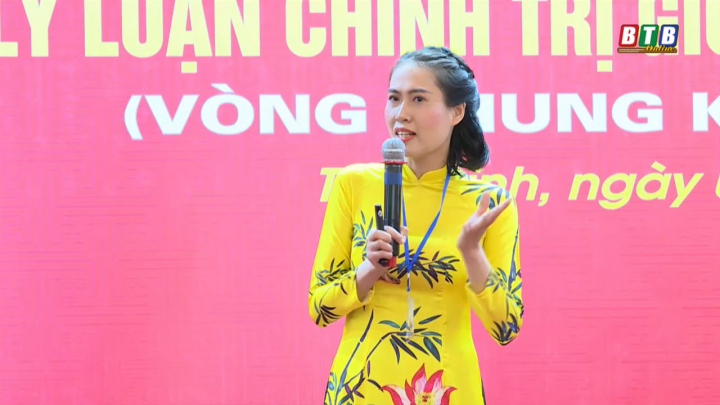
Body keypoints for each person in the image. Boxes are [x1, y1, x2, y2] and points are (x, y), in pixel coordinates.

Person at [308, 46, 524, 405]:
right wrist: (368, 270)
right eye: (394, 98)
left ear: (457, 112)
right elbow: (319, 308)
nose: (401, 114)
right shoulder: (353, 184)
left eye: (418, 99)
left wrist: (471, 252)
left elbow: (507, 327)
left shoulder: (489, 203)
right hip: (360, 389)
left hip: (448, 389)